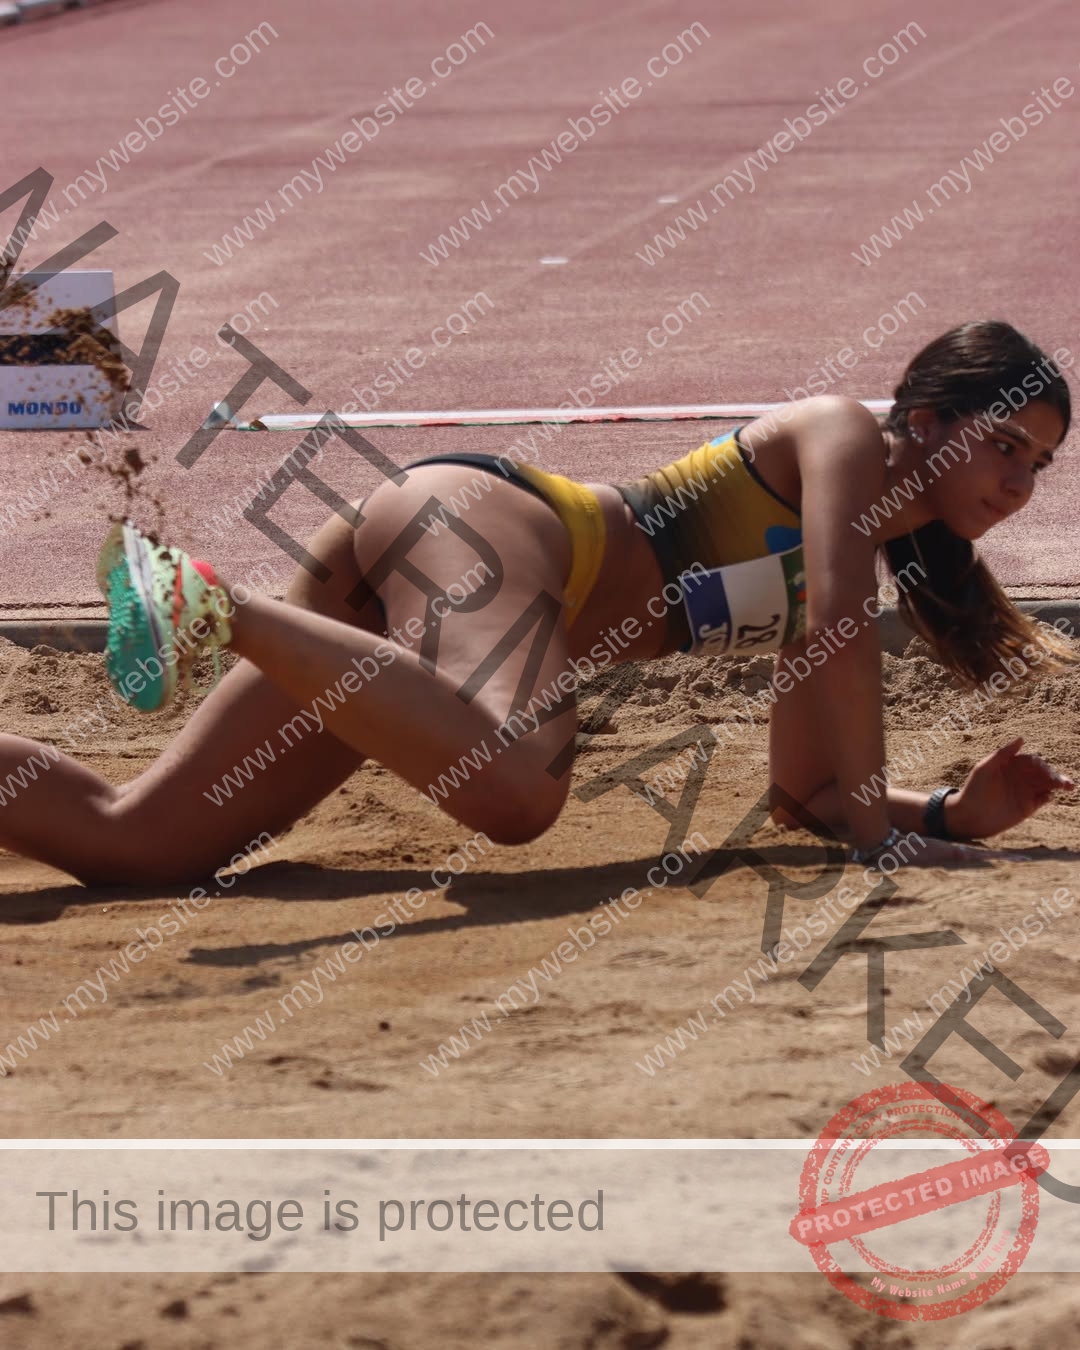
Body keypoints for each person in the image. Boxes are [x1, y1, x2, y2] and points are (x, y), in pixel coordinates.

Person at [2, 320, 1074, 885]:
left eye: (1042, 466)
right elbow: (839, 622)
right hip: (485, 527)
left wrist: (937, 817)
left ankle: (215, 611)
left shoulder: (857, 560)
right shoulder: (841, 432)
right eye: (1006, 446)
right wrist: (880, 840)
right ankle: (208, 601)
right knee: (516, 789)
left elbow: (806, 797)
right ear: (926, 420)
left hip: (426, 606)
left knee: (143, 844)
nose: (1020, 484)